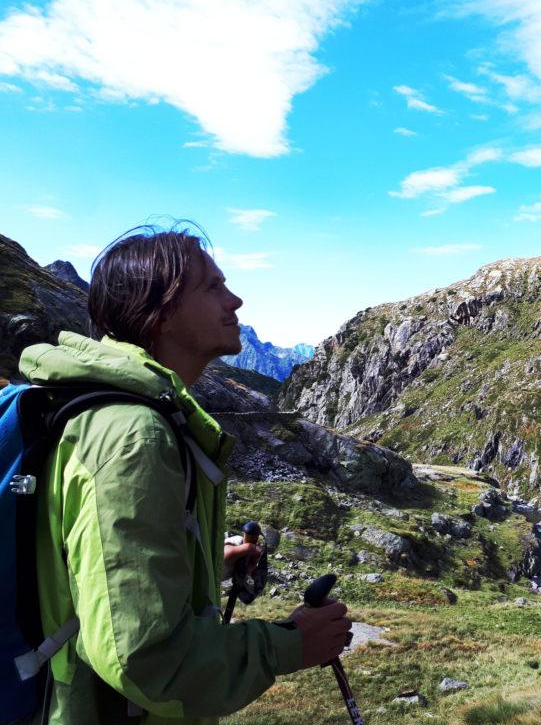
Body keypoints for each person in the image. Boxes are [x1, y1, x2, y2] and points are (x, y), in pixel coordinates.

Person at [18, 226, 351, 724]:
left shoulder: (103, 414)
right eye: (213, 287)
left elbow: (92, 575)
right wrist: (290, 644)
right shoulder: (136, 435)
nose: (235, 300)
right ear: (162, 310)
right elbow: (144, 657)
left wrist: (206, 561)